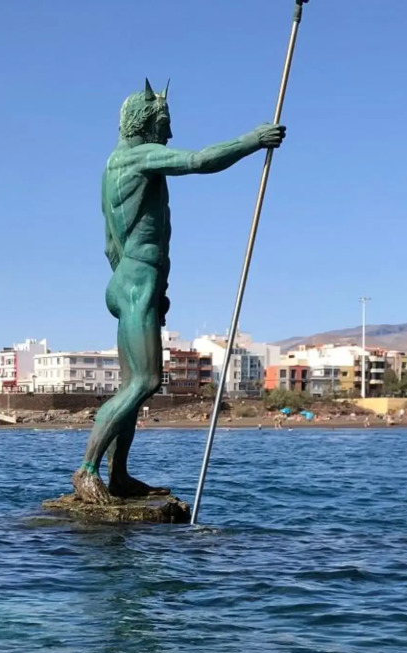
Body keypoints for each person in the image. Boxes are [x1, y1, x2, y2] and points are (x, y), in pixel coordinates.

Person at [71, 82, 286, 503]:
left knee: (133, 385)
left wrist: (151, 285)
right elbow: (199, 160)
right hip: (137, 280)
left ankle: (119, 476)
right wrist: (252, 140)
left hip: (128, 279)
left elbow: (109, 244)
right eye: (164, 125)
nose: (168, 135)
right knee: (147, 381)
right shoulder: (137, 157)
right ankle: (86, 470)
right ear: (147, 121)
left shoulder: (111, 168)